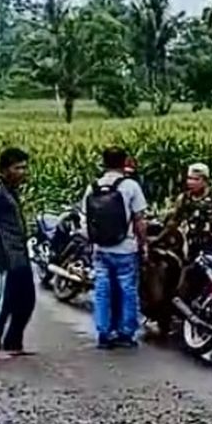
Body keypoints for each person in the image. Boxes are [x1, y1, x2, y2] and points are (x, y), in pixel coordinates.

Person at [84, 147, 148, 350]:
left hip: (101, 248)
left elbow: (86, 219)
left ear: (103, 162)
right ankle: (125, 333)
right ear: (124, 162)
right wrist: (143, 244)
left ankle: (104, 333)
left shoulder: (92, 187)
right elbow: (140, 220)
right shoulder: (131, 186)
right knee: (127, 290)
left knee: (102, 291)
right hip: (125, 248)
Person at [0, 148, 35, 358]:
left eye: (24, 167)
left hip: (19, 255)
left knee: (26, 300)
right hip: (4, 257)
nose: (22, 172)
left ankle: (13, 343)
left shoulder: (11, 191)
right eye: (17, 168)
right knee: (1, 302)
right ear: (4, 170)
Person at [164, 163, 212, 260]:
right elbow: (174, 221)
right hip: (193, 247)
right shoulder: (183, 199)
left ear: (205, 181)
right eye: (189, 178)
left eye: (196, 179)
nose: (191, 182)